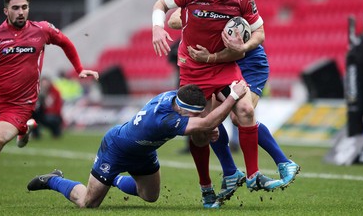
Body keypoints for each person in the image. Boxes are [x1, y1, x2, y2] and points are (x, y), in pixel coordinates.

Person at [152, 0, 286, 208]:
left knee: (245, 110)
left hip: (224, 64)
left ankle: (253, 174)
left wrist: (242, 45)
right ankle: (207, 187)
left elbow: (259, 31)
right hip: (193, 69)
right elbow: (162, 7)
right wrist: (158, 27)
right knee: (201, 131)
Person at [26, 81, 257, 208]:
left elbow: (202, 123)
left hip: (144, 152)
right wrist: (233, 97)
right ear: (185, 109)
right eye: (192, 114)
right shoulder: (166, 120)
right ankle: (54, 179)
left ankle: (114, 179)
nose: (193, 117)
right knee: (88, 203)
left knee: (149, 196)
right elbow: (206, 121)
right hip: (116, 148)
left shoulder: (174, 98)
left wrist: (207, 126)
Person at [0, 0, 99, 190]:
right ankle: (24, 129)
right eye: (15, 8)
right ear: (6, 11)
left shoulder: (42, 30)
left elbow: (65, 43)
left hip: (22, 103)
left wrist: (79, 68)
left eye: (24, 7)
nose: (21, 11)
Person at [168, 6, 300, 186]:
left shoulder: (236, 2)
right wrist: (199, 16)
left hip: (248, 63)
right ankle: (230, 172)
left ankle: (283, 162)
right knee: (208, 121)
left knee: (240, 115)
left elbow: (253, 39)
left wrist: (205, 21)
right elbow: (173, 21)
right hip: (222, 65)